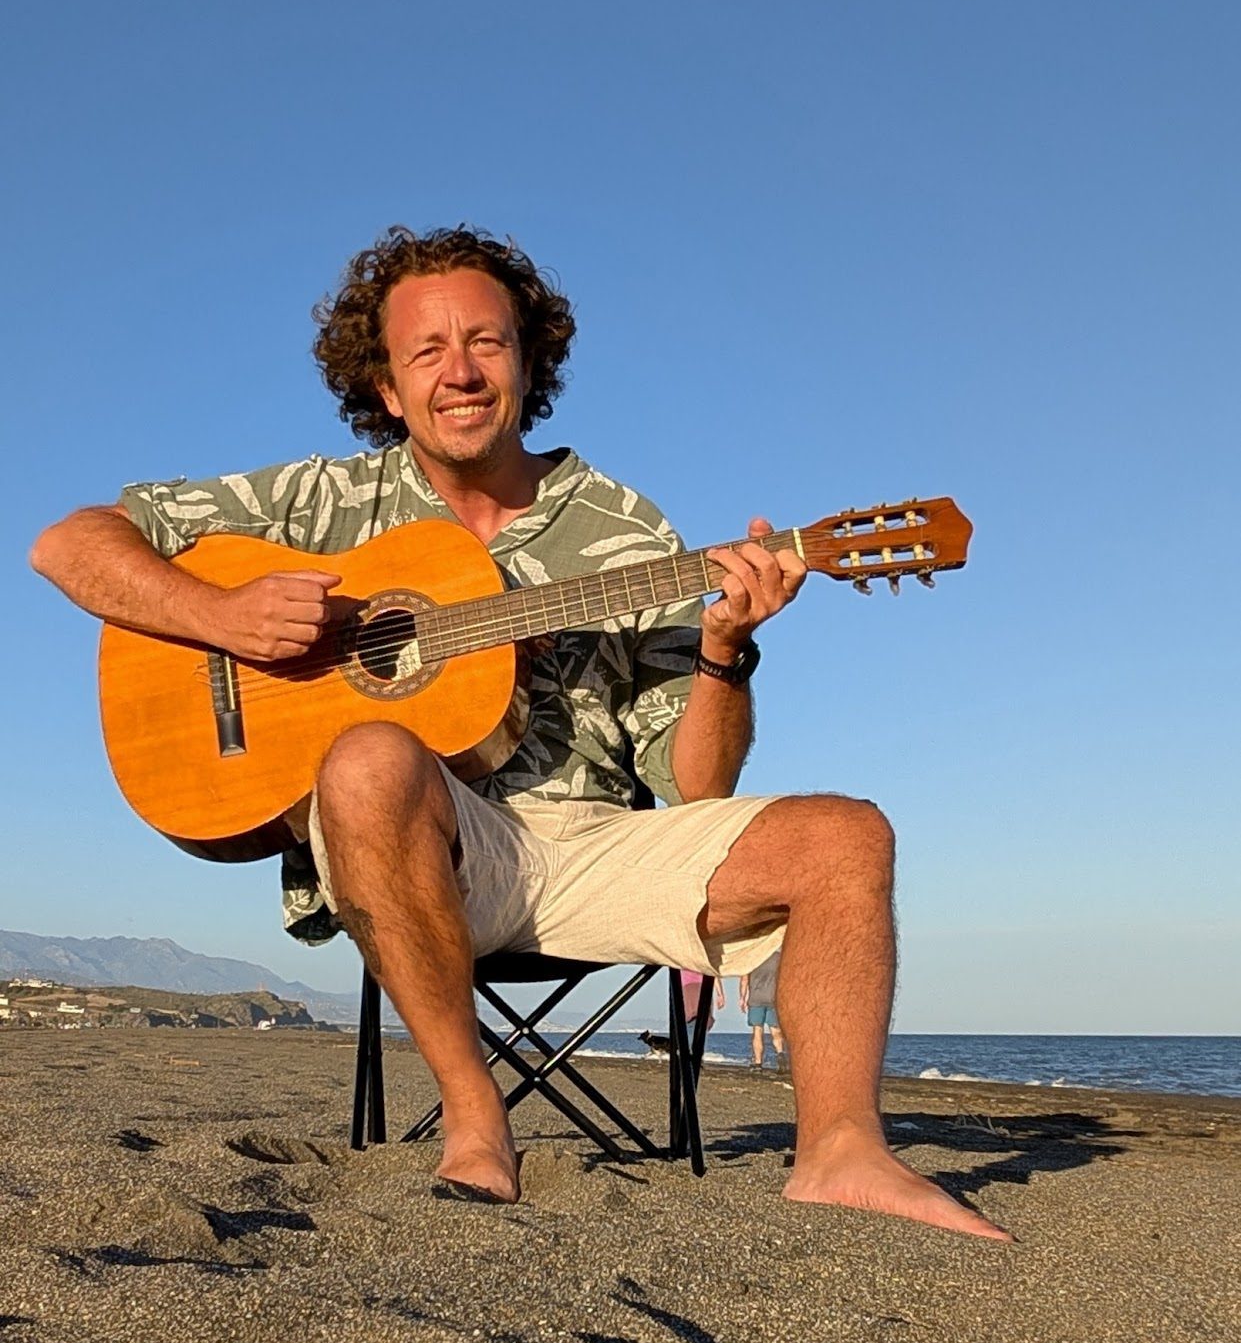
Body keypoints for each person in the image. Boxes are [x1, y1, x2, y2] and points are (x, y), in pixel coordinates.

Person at [31, 225, 1009, 1239]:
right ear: (386, 388)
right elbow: (70, 544)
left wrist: (722, 648)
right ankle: (472, 1113)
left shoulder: (622, 526)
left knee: (849, 832)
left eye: (486, 342)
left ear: (528, 360)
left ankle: (841, 1150)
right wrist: (218, 617)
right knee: (368, 757)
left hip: (592, 846)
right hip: (422, 852)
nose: (459, 371)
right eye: (427, 351)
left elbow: (693, 788)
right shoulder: (328, 500)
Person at [739, 949, 786, 1069]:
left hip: (756, 999)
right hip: (773, 998)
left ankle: (758, 1062)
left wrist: (742, 998)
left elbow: (744, 980)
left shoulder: (752, 958)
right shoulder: (779, 957)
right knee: (775, 1030)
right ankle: (780, 1053)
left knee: (758, 1030)